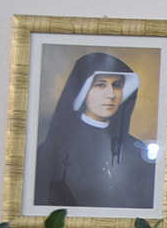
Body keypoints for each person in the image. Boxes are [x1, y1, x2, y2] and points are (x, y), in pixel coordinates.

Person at [34, 52, 157, 208]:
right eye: (101, 85)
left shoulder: (137, 150)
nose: (111, 95)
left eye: (117, 86)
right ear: (83, 91)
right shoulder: (53, 150)